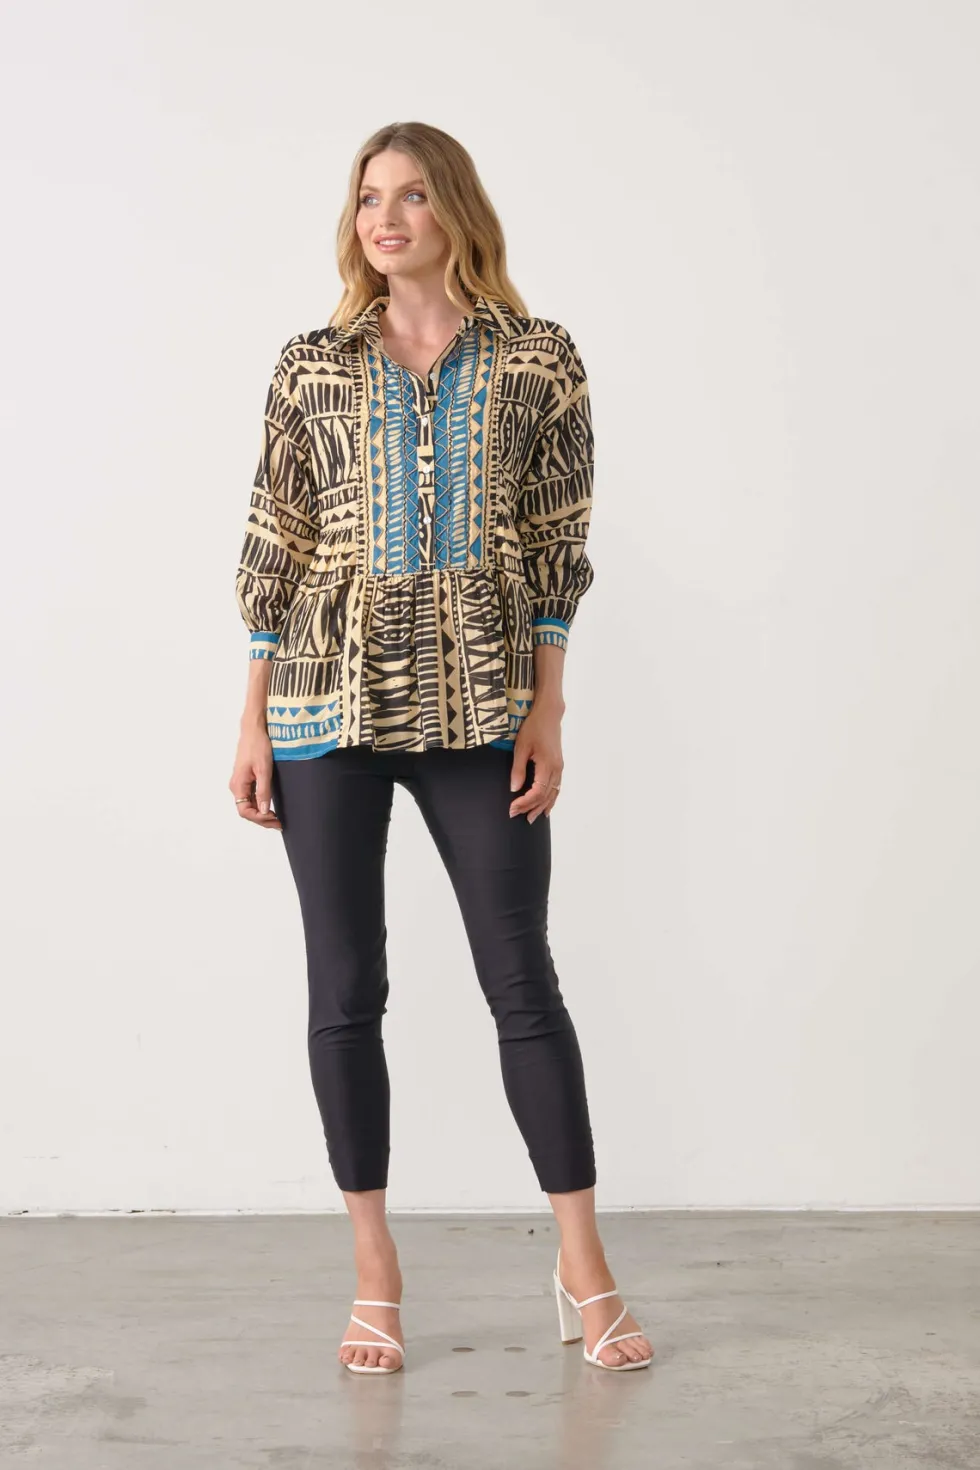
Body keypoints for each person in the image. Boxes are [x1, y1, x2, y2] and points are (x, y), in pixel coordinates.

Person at [229, 121, 654, 1376]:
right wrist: (251, 716)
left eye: (412, 195)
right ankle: (375, 1270)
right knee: (343, 989)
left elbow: (558, 542)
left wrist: (547, 706)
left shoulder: (537, 358)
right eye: (369, 196)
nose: (386, 216)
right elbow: (275, 542)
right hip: (323, 707)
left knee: (520, 981)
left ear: (454, 210)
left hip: (480, 707)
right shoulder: (311, 364)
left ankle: (582, 1269)